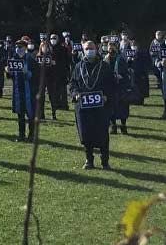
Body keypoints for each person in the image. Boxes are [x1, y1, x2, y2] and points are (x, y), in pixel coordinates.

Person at [69, 40, 115, 169]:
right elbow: (72, 84)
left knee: (103, 134)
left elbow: (112, 85)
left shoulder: (104, 66)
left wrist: (107, 95)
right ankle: (89, 160)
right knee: (86, 133)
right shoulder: (78, 66)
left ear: (96, 49)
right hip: (83, 106)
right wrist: (76, 94)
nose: (89, 50)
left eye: (92, 48)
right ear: (83, 50)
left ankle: (105, 161)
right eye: (87, 48)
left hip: (100, 106)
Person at [7, 39, 39, 142]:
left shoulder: (30, 60)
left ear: (25, 48)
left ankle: (31, 135)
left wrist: (28, 73)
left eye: (20, 47)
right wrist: (8, 71)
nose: (18, 49)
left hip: (29, 90)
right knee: (20, 114)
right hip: (18, 90)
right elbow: (10, 76)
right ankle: (21, 135)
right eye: (17, 47)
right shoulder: (14, 59)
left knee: (30, 114)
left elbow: (36, 76)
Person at [105, 42, 130, 134]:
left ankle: (123, 126)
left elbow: (126, 71)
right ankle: (113, 125)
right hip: (110, 86)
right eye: (109, 47)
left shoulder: (121, 58)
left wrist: (121, 76)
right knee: (111, 107)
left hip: (120, 86)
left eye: (113, 48)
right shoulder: (105, 58)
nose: (111, 49)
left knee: (122, 107)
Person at [49, 34, 71, 111]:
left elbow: (66, 61)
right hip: (52, 73)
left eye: (54, 38)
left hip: (61, 73)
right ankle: (56, 104)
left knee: (63, 90)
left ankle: (64, 105)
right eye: (51, 38)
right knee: (54, 90)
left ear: (58, 39)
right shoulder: (48, 48)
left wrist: (57, 63)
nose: (53, 39)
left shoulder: (63, 48)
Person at [157, 37, 166, 119]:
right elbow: (156, 59)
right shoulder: (161, 47)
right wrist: (160, 63)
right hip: (164, 74)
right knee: (165, 94)